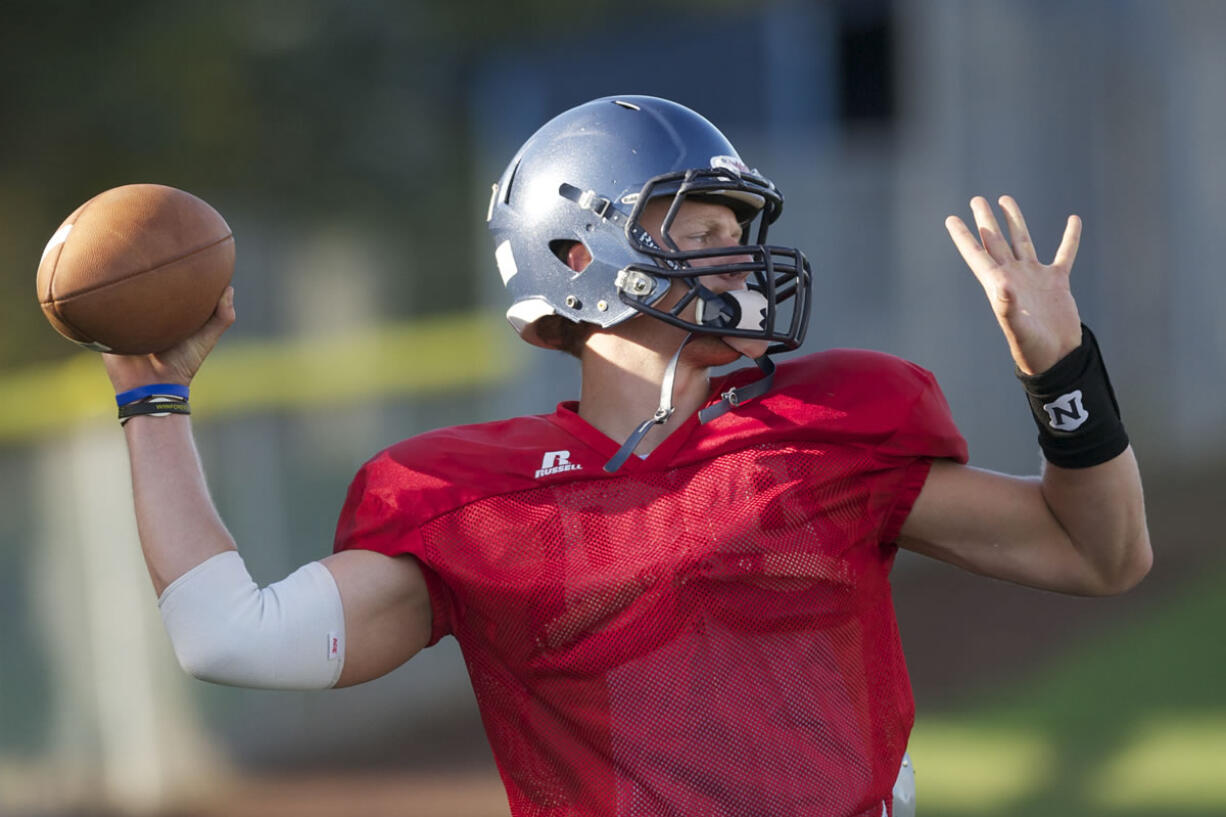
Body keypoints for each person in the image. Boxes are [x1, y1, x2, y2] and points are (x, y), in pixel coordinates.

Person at [102, 96, 1151, 817]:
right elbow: (229, 637)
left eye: (735, 225)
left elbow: (1096, 555)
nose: (736, 257)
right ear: (576, 257)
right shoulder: (468, 497)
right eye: (697, 231)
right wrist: (152, 396)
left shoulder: (820, 431)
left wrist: (1056, 366)